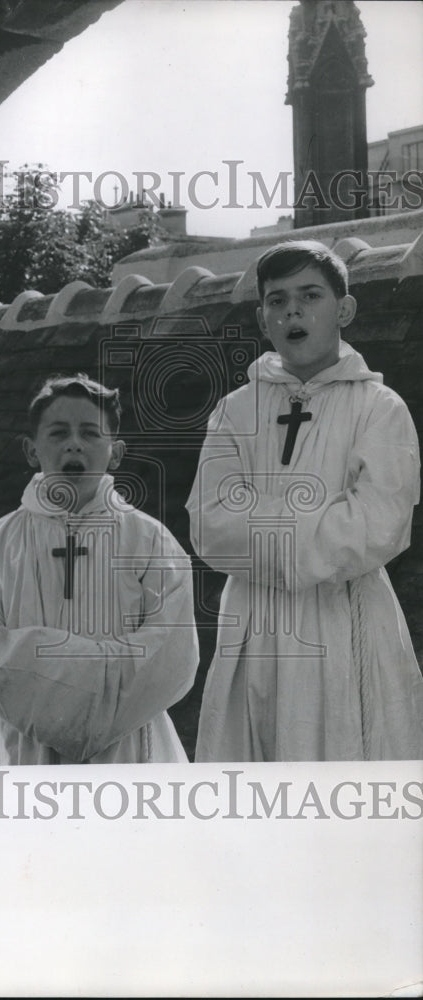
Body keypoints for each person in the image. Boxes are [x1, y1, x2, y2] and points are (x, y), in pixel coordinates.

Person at [187, 240, 423, 761]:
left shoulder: (379, 409)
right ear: (262, 316)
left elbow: (377, 527)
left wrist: (262, 524)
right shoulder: (236, 411)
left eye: (310, 295)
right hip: (255, 626)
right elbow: (209, 523)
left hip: (346, 617)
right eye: (277, 299)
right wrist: (316, 524)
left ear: (344, 309)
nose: (292, 310)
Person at [0, 373, 199, 765]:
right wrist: (90, 685)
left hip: (125, 748)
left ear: (116, 453)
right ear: (31, 450)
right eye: (58, 433)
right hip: (28, 747)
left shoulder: (149, 540)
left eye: (90, 433)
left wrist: (84, 709)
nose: (74, 444)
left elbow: (172, 655)